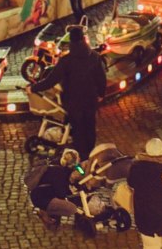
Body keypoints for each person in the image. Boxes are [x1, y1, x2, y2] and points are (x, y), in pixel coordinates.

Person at [31, 24, 109, 157]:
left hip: (73, 101)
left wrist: (34, 87)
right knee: (90, 125)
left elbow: (51, 80)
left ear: (71, 41)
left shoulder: (66, 61)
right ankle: (89, 152)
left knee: (78, 128)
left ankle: (79, 155)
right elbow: (101, 78)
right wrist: (101, 94)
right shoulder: (94, 57)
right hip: (90, 99)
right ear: (84, 39)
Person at [28, 149, 93, 235]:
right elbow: (61, 193)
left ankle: (50, 214)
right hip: (42, 197)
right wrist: (72, 185)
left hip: (44, 193)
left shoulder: (58, 166)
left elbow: (81, 171)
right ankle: (46, 212)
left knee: (63, 201)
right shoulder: (59, 172)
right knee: (71, 208)